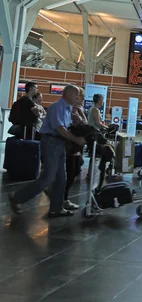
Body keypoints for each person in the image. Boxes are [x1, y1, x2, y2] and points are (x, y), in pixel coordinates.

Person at [9, 85, 87, 217]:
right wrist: (76, 139)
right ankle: (17, 197)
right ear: (67, 94)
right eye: (76, 95)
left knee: (61, 178)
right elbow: (59, 128)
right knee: (48, 178)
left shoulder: (68, 108)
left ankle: (56, 208)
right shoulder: (57, 107)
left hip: (59, 143)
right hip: (51, 143)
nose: (78, 98)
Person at [63, 87, 87, 210]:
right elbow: (81, 124)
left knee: (76, 170)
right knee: (70, 172)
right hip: (69, 145)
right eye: (81, 96)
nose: (83, 99)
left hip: (76, 147)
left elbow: (85, 123)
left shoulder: (78, 109)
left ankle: (63, 197)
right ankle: (63, 198)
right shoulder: (71, 109)